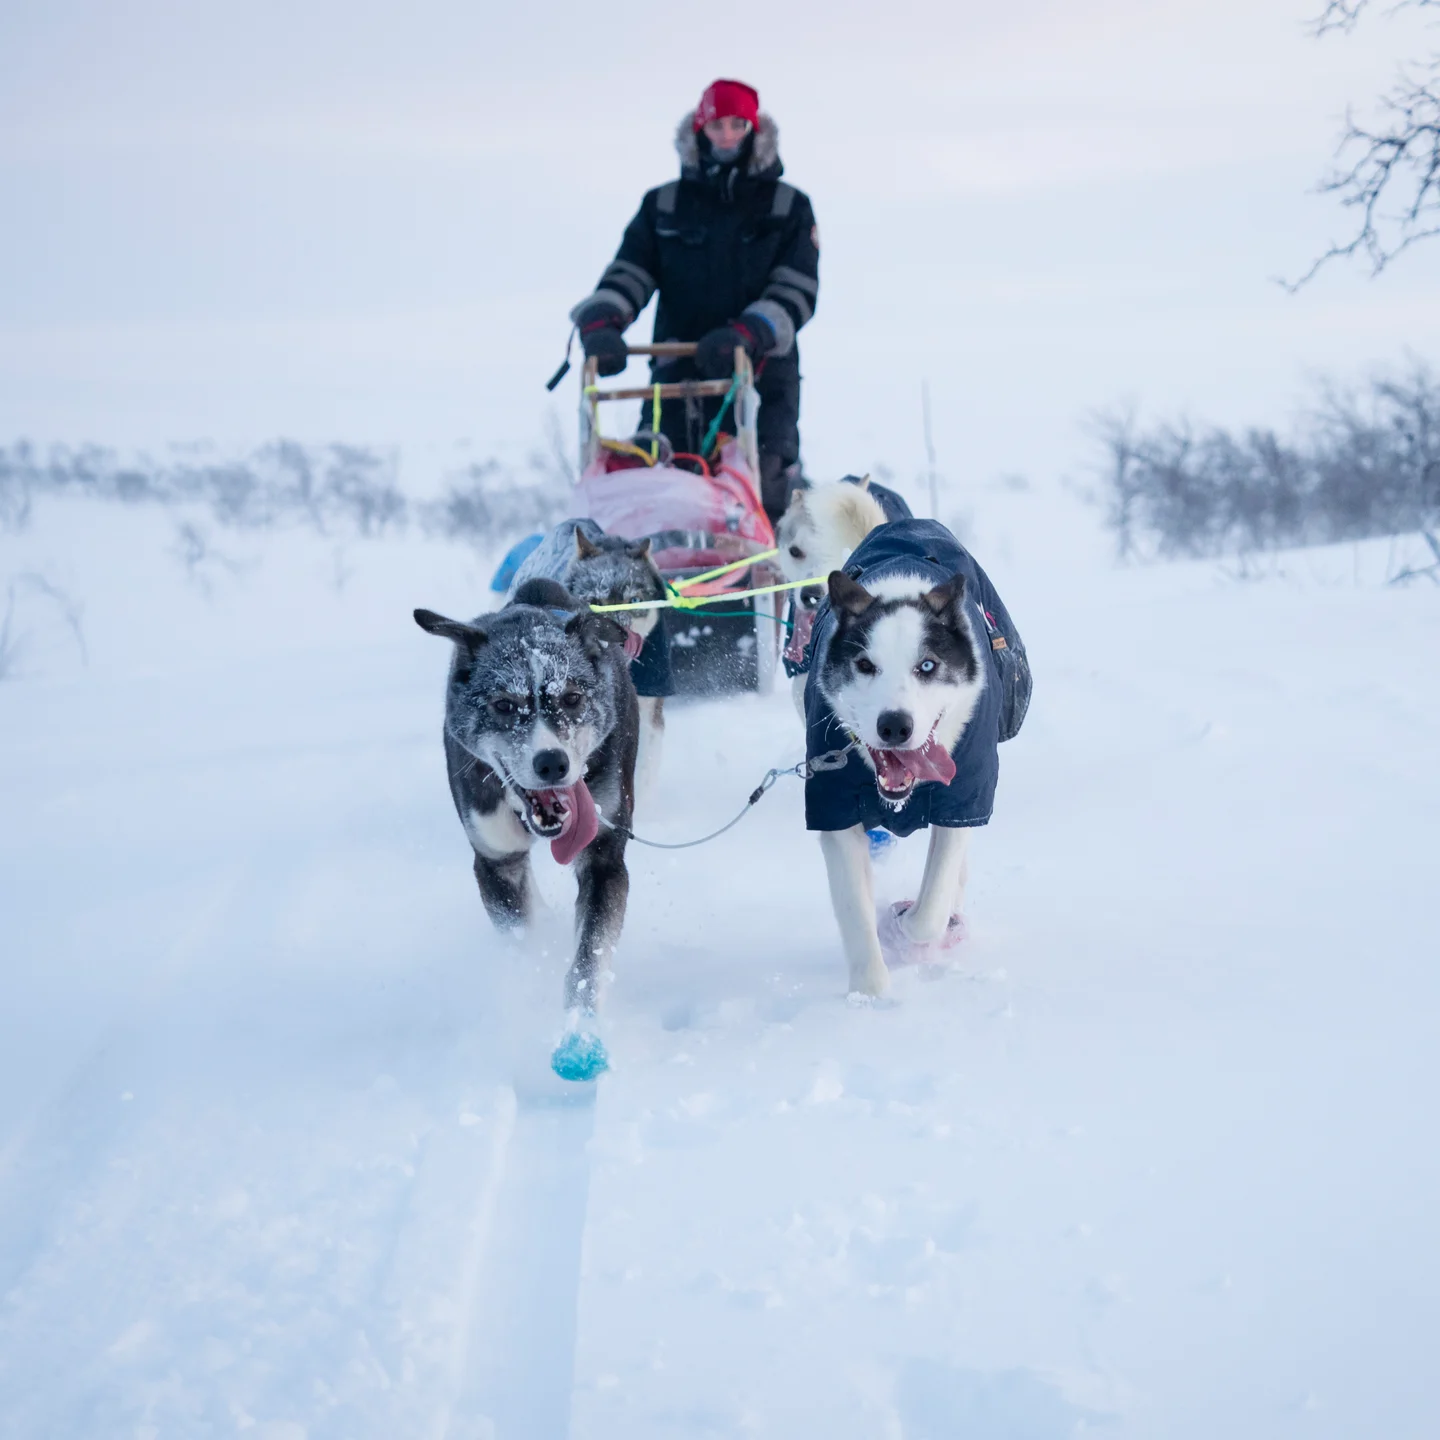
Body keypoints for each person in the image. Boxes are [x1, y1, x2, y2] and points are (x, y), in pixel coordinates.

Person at [569, 78, 821, 523]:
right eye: (717, 125)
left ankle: (772, 591)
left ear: (754, 129)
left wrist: (748, 333)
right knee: (663, 493)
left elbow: (796, 287)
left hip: (761, 381)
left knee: (767, 499)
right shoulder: (664, 206)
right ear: (699, 128)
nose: (726, 135)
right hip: (676, 377)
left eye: (737, 125)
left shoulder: (789, 207)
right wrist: (603, 320)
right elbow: (632, 270)